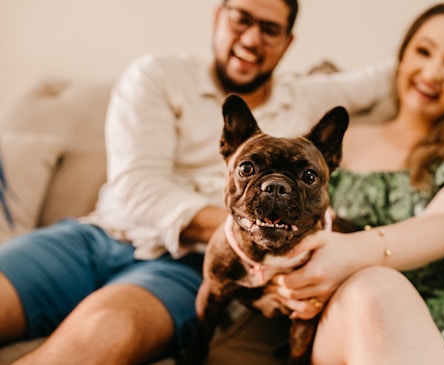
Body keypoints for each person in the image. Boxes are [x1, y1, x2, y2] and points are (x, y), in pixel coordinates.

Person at [0, 0, 421, 364]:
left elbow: (399, 71)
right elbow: (134, 187)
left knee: (102, 334)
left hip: (182, 265)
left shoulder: (308, 96)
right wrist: (253, 235)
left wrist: (439, 62)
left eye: (270, 28)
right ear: (218, 17)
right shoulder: (158, 74)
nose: (253, 38)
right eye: (242, 18)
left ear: (289, 41)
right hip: (95, 235)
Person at [272, 2, 444, 365]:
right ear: (401, 56)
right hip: (342, 319)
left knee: (377, 286)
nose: (433, 73)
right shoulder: (332, 146)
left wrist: (353, 253)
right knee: (371, 293)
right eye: (423, 51)